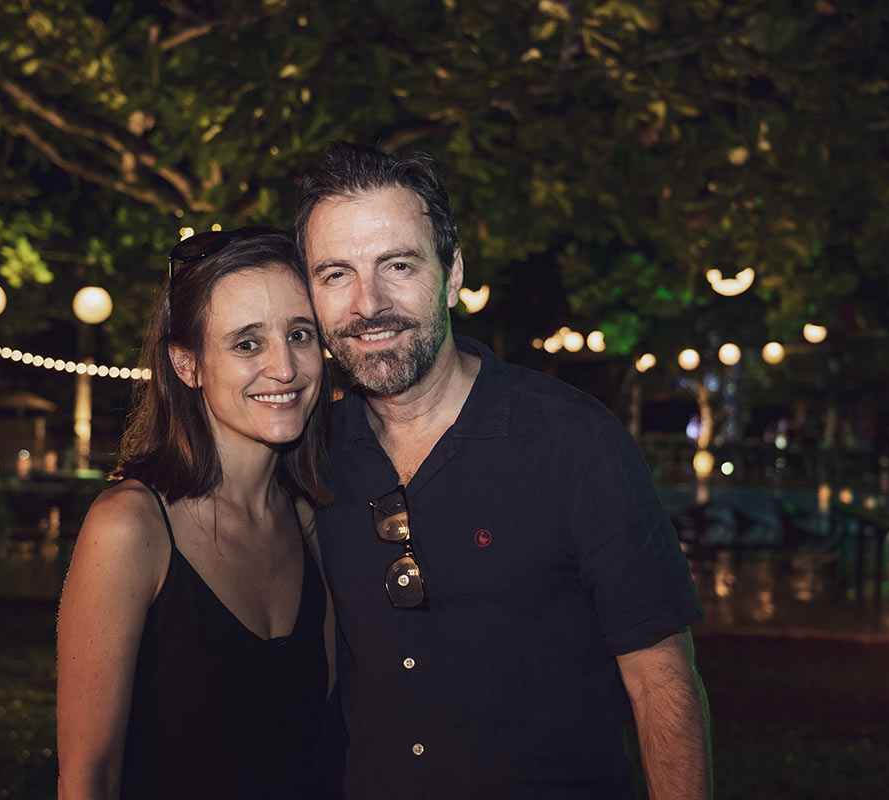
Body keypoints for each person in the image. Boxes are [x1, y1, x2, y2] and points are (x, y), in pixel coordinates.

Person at [294, 142, 711, 799]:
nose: (367, 303)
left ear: (453, 273)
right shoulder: (312, 453)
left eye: (397, 265)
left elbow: (661, 679)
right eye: (335, 274)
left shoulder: (576, 442)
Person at [56, 228, 334, 799]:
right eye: (247, 344)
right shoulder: (130, 528)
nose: (285, 368)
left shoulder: (311, 519)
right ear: (188, 364)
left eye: (300, 334)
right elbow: (88, 780)